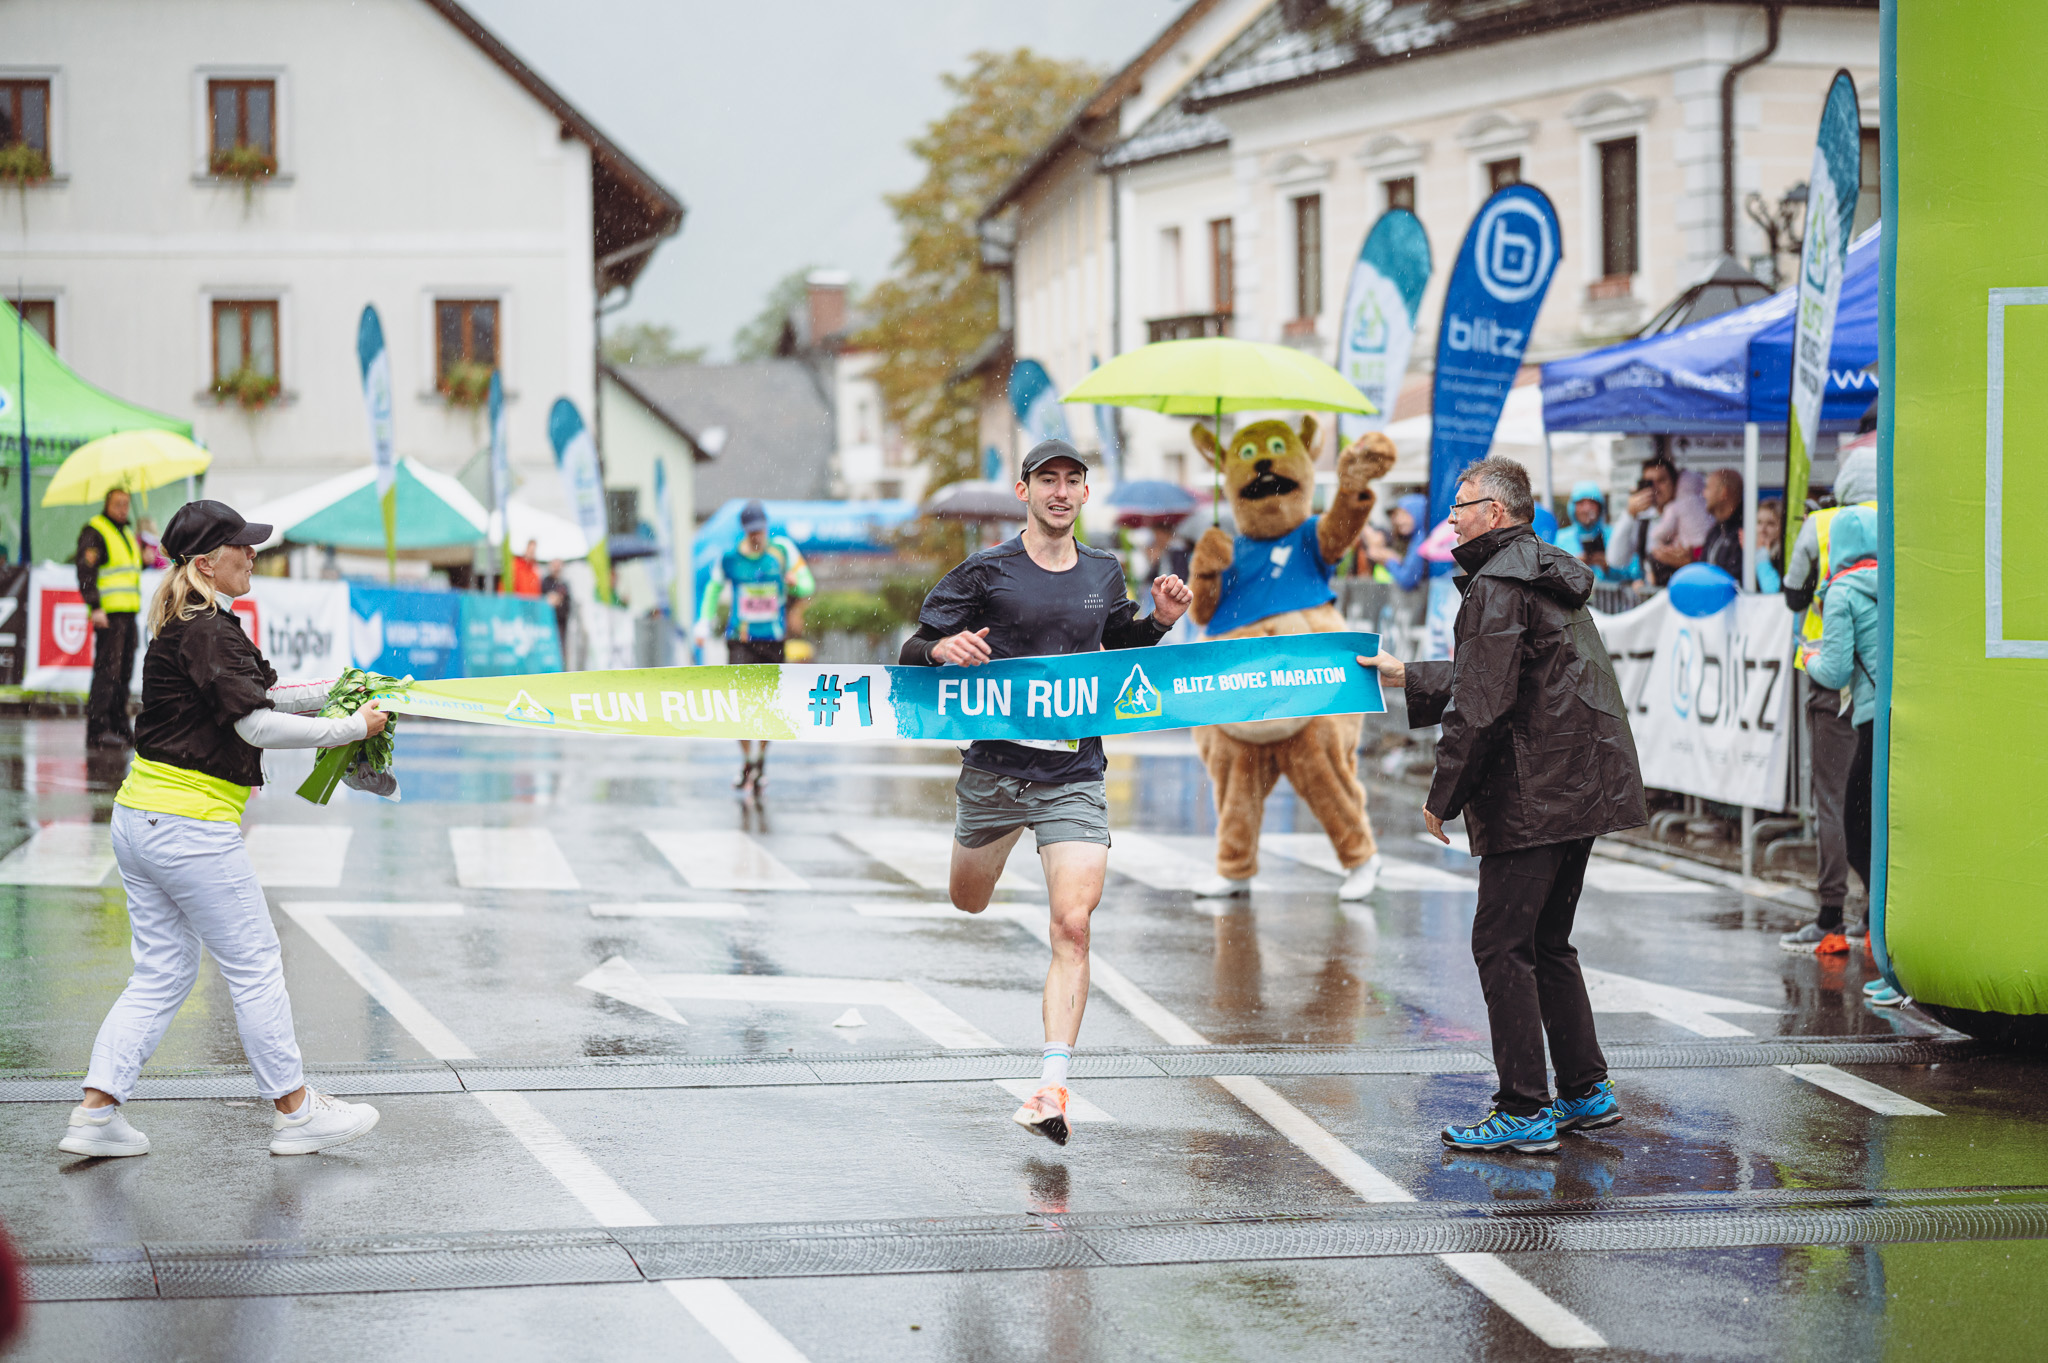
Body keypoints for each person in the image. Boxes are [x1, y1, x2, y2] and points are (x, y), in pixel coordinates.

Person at [59, 501, 385, 1160]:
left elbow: (255, 700)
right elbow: (255, 724)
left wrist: (335, 693)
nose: (253, 554)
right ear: (208, 562)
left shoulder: (189, 622)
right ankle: (296, 1111)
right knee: (256, 963)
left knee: (162, 971)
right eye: (243, 545)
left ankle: (97, 1114)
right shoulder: (208, 629)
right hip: (189, 826)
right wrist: (349, 728)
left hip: (140, 817)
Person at [901, 439, 1191, 1145]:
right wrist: (940, 650)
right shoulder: (986, 572)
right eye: (1048, 480)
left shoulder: (1103, 570)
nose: (1060, 492)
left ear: (1085, 493)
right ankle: (988, 850)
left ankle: (1051, 1087)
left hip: (1073, 775)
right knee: (968, 900)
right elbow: (912, 649)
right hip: (995, 774)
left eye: (1072, 481)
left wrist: (1157, 621)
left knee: (1073, 925)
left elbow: (1119, 643)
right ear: (1025, 491)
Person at [1361, 458, 1647, 1154]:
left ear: (1495, 510)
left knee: (1501, 943)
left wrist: (1443, 795)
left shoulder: (1496, 582)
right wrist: (1410, 675)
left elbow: (1483, 705)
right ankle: (1584, 1090)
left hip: (1535, 789)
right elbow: (1508, 671)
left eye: (1460, 506)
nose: (1451, 519)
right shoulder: (1539, 570)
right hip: (1579, 784)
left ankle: (1523, 1106)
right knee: (1546, 942)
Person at [1780, 446, 1877, 951]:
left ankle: (1831, 913)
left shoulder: (1823, 525)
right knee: (1877, 801)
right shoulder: (1902, 525)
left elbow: (1794, 593)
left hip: (1833, 680)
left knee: (1835, 799)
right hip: (1886, 686)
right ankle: (1877, 915)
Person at [696, 500, 815, 798]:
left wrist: (794, 584)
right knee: (741, 702)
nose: (756, 537)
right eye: (751, 532)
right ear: (744, 531)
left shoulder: (783, 551)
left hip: (773, 640)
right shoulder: (730, 558)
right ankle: (746, 760)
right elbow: (712, 589)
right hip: (741, 639)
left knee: (768, 705)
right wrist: (703, 622)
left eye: (760, 531)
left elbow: (807, 585)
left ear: (766, 527)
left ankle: (760, 760)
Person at [76, 487, 143, 748]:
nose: (123, 509)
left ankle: (119, 724)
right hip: (109, 614)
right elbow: (86, 571)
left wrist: (146, 558)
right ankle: (98, 728)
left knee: (124, 673)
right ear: (107, 504)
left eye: (126, 503)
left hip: (128, 613)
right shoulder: (96, 530)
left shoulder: (126, 531)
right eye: (118, 503)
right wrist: (94, 606)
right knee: (107, 672)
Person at [1551, 481, 1631, 585]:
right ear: (1572, 507)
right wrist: (1572, 567)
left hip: (1611, 594)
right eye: (1581, 503)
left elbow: (1633, 574)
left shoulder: (1614, 535)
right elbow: (1553, 576)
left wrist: (1608, 567)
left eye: (1592, 503)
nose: (1587, 509)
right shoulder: (1562, 538)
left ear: (1600, 506)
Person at [1361, 493, 1429, 590]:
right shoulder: (1414, 538)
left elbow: (1407, 579)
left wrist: (1389, 560)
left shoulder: (1421, 540)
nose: (1399, 521)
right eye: (1397, 515)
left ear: (1418, 512)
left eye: (1405, 514)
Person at [1699, 468, 1744, 579]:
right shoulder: (1715, 531)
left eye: (1707, 488)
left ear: (1723, 493)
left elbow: (1733, 579)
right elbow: (1702, 570)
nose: (1703, 494)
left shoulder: (1744, 531)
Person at [1751, 499, 1785, 593]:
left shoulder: (1782, 557)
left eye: (1770, 524)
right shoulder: (1744, 552)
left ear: (1781, 527)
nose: (1763, 529)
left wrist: (1762, 556)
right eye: (1759, 522)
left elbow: (1772, 591)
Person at [540, 558, 571, 653]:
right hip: (548, 623)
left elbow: (567, 603)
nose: (557, 568)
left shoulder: (564, 583)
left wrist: (558, 600)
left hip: (562, 623)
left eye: (558, 565)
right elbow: (546, 599)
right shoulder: (546, 582)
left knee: (560, 649)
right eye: (555, 565)